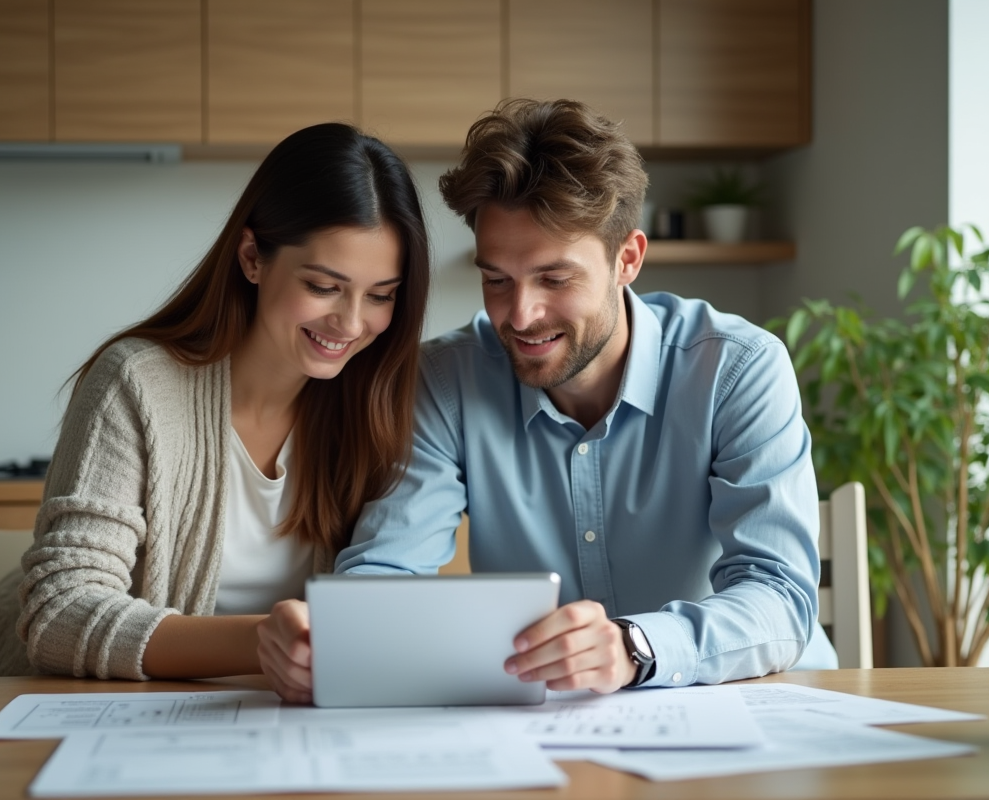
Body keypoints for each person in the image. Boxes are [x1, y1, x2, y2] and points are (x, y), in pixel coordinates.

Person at [259, 99, 837, 703]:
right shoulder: (445, 381)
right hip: (548, 727)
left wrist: (632, 647)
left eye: (555, 279)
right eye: (496, 280)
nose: (521, 315)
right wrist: (337, 636)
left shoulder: (736, 368)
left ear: (628, 259)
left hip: (759, 704)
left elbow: (779, 594)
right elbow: (389, 569)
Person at [0, 122, 430, 683]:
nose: (352, 323)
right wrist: (262, 642)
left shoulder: (375, 406)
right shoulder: (138, 383)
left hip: (270, 723)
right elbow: (60, 611)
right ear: (253, 257)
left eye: (380, 296)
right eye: (323, 286)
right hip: (105, 717)